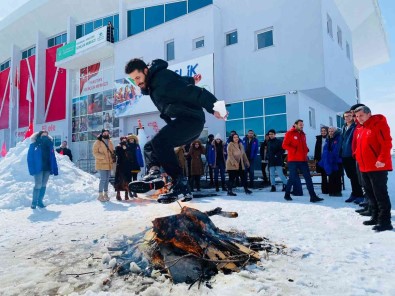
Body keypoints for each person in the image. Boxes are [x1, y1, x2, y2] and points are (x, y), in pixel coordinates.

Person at [125, 58, 227, 203]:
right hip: (185, 120)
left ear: (146, 71)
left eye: (138, 78)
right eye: (133, 80)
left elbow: (193, 92)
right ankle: (154, 172)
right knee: (150, 146)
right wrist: (192, 79)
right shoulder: (155, 82)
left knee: (161, 142)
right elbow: (180, 81)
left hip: (191, 120)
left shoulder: (161, 79)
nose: (137, 83)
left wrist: (215, 107)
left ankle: (180, 184)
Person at [354, 106, 393, 232]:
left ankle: (385, 221)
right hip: (364, 167)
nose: (359, 118)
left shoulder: (378, 124)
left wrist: (381, 160)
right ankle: (375, 217)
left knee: (380, 194)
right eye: (357, 116)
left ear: (369, 114)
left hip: (377, 167)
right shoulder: (361, 128)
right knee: (370, 194)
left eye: (361, 115)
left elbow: (387, 143)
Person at [282, 119, 323, 202]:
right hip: (293, 160)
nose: (301, 126)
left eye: (302, 125)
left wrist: (306, 149)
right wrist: (294, 150)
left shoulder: (303, 134)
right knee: (292, 178)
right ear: (295, 124)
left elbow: (304, 144)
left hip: (303, 160)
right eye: (300, 124)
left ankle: (313, 196)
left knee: (308, 178)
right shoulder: (290, 133)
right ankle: (287, 194)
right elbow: (284, 145)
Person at [27, 131, 59, 209]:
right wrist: (31, 169)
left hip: (47, 168)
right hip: (38, 168)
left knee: (43, 185)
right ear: (39, 135)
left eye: (46, 135)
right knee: (38, 184)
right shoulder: (34, 145)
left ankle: (40, 202)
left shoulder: (49, 145)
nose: (45, 136)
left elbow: (53, 158)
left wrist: (55, 168)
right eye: (43, 135)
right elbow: (29, 158)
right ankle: (34, 203)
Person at [341, 110, 364, 203]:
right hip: (344, 155)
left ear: (353, 116)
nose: (347, 118)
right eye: (346, 116)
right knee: (350, 176)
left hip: (352, 155)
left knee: (356, 176)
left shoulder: (356, 126)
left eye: (349, 116)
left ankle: (360, 195)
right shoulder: (343, 127)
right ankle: (354, 193)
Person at [318, 127, 343, 196]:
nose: (330, 133)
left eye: (332, 131)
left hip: (337, 161)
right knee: (331, 176)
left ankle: (337, 192)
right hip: (330, 161)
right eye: (329, 131)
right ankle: (331, 191)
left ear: (335, 132)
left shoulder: (338, 138)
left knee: (337, 176)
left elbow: (337, 149)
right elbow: (325, 150)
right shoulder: (328, 139)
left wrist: (330, 155)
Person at [92, 129, 114, 202]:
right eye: (104, 133)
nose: (106, 134)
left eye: (107, 133)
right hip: (101, 163)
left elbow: (112, 151)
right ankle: (100, 195)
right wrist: (103, 157)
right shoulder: (98, 142)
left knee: (107, 180)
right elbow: (95, 153)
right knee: (103, 179)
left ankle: (106, 194)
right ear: (102, 133)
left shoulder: (110, 142)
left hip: (109, 163)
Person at [314, 126, 329, 194]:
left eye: (324, 131)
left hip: (328, 159)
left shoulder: (329, 138)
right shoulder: (319, 138)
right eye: (322, 131)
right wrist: (316, 158)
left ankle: (330, 188)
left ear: (327, 131)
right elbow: (316, 149)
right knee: (323, 175)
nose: (323, 132)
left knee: (329, 174)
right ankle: (324, 190)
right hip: (321, 159)